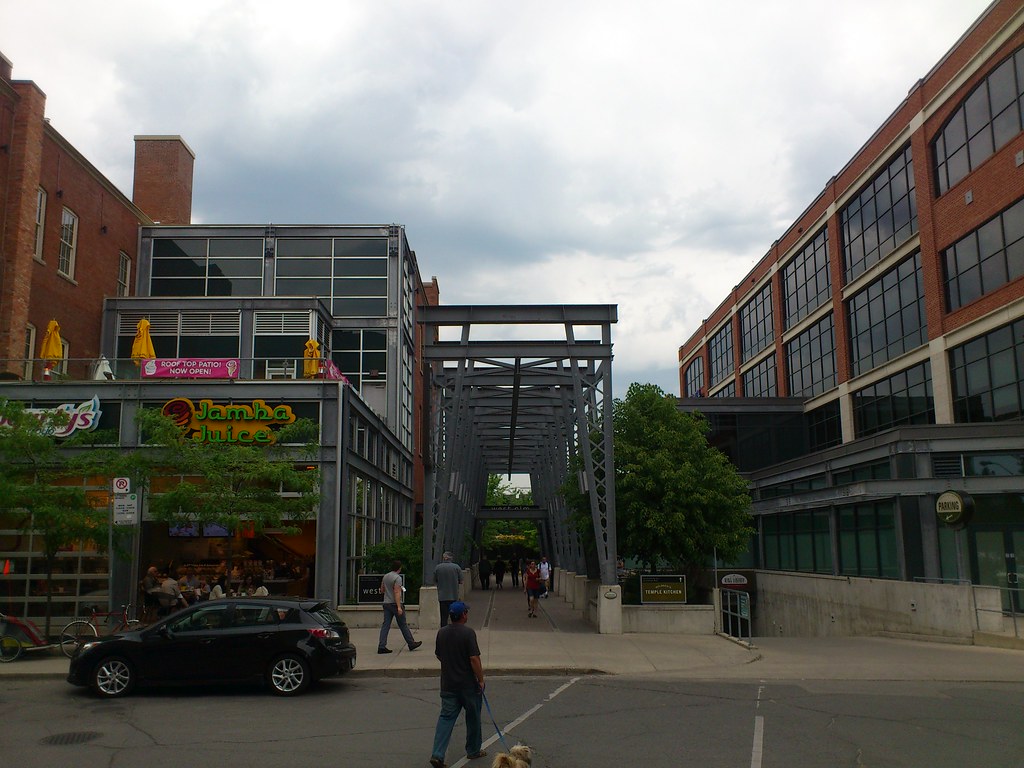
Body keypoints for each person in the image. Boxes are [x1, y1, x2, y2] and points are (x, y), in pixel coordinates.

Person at [429, 601, 487, 767]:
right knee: (473, 717)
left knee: (446, 718)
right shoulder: (468, 634)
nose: (467, 614)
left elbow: (439, 655)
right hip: (468, 685)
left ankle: (437, 754)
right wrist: (481, 679)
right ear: (463, 615)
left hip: (448, 684)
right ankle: (473, 750)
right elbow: (474, 658)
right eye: (466, 612)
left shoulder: (442, 633)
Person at [378, 560, 423, 654]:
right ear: (399, 568)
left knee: (385, 625)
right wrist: (399, 607)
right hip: (394, 604)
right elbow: (397, 592)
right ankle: (411, 643)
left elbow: (382, 590)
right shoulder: (397, 578)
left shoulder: (386, 576)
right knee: (403, 624)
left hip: (386, 603)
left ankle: (381, 646)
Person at [434, 552, 463, 627]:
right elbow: (461, 581)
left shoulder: (437, 567)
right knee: (455, 617)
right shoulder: (456, 567)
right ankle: (455, 632)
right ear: (451, 558)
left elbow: (434, 580)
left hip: (442, 597)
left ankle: (443, 633)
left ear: (443, 558)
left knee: (444, 617)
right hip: (454, 596)